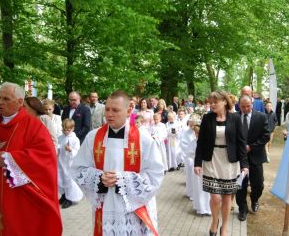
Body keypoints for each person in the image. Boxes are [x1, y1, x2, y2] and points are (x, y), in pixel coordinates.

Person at [71, 90, 164, 235]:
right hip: (106, 206)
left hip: (134, 211)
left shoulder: (143, 139)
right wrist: (99, 178)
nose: (109, 114)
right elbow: (77, 169)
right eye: (107, 109)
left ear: (129, 110)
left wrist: (122, 179)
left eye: (115, 110)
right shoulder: (93, 137)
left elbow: (155, 175)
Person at [0, 82, 62, 235]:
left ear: (19, 102)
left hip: (21, 196)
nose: (1, 102)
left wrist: (8, 159)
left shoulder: (33, 125)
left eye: (6, 99)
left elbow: (46, 156)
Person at [194, 90, 248, 236]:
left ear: (224, 101)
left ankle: (224, 227)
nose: (212, 104)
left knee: (226, 197)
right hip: (212, 160)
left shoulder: (236, 118)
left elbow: (241, 143)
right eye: (210, 102)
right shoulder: (207, 118)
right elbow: (201, 142)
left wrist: (244, 165)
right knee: (215, 197)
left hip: (229, 162)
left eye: (215, 102)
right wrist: (197, 162)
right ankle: (214, 221)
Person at [236, 95, 270, 222]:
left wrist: (251, 147)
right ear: (239, 105)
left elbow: (266, 136)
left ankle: (254, 199)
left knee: (258, 184)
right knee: (240, 185)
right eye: (243, 106)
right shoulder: (234, 117)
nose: (245, 109)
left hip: (256, 155)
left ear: (252, 104)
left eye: (248, 106)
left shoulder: (261, 117)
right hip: (239, 157)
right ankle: (242, 209)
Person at [181, 115, 211, 215]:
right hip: (197, 167)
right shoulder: (194, 142)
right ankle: (200, 207)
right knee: (198, 188)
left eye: (199, 133)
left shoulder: (208, 143)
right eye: (196, 133)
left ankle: (208, 207)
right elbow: (188, 153)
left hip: (206, 167)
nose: (198, 135)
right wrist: (191, 160)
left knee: (207, 187)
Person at [58, 118, 83, 209]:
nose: (65, 131)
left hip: (69, 163)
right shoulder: (60, 138)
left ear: (72, 128)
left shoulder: (75, 139)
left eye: (68, 130)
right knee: (60, 179)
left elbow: (78, 151)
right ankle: (64, 195)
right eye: (64, 129)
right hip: (61, 162)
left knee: (68, 180)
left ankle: (70, 198)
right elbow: (58, 147)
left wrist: (70, 150)